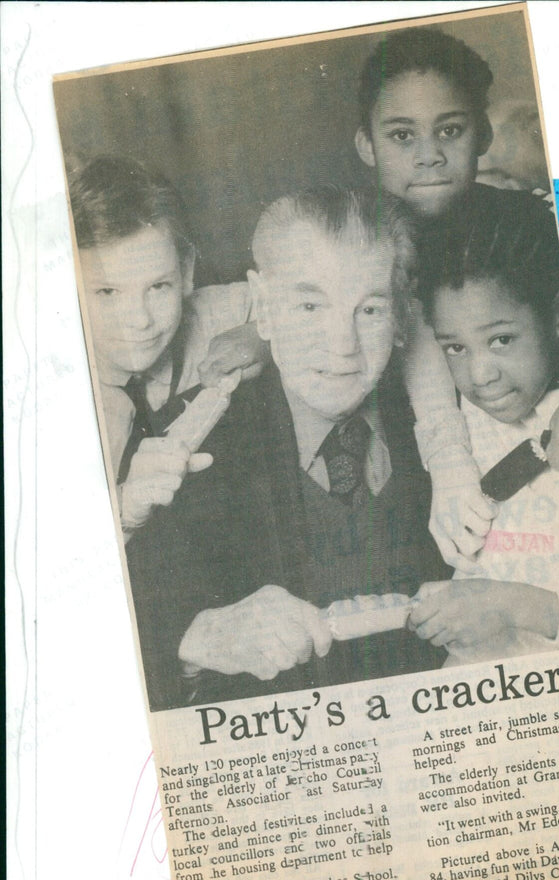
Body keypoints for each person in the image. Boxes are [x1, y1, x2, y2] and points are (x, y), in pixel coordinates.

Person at [125, 186, 450, 711]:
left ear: (399, 315)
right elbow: (120, 626)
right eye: (308, 305)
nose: (341, 345)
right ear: (265, 309)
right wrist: (200, 637)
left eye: (368, 309)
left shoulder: (451, 415)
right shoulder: (187, 439)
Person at [353, 27, 559, 570]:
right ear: (365, 144)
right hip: (417, 463)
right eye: (401, 137)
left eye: (450, 131)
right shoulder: (357, 240)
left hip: (535, 455)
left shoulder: (534, 223)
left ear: (482, 134)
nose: (430, 156)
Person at [407, 204, 559, 665]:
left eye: (501, 339)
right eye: (457, 348)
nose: (480, 374)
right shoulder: (464, 408)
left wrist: (510, 605)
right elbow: (408, 328)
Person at [70, 155, 266, 537]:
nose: (139, 319)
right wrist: (124, 509)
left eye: (158, 286)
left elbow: (312, 300)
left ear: (186, 272)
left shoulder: (205, 318)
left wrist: (264, 335)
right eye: (107, 292)